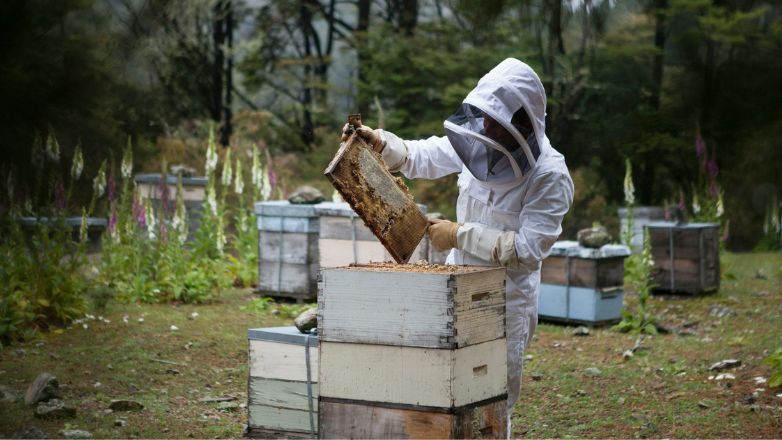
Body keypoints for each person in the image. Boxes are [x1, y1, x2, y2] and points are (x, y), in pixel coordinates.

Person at [342, 58, 574, 435]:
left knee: (490, 404)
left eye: (496, 123)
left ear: (522, 125)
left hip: (505, 302)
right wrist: (381, 142)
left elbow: (528, 251)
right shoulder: (479, 141)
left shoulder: (550, 176)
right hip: (455, 288)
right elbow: (421, 155)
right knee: (443, 392)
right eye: (485, 118)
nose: (486, 128)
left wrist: (458, 234)